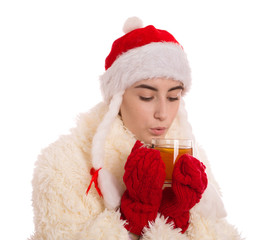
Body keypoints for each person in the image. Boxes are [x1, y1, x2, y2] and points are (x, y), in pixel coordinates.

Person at [31, 17, 241, 240]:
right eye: (147, 96)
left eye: (173, 96)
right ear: (118, 98)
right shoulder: (61, 165)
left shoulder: (191, 161)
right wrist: (133, 216)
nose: (163, 113)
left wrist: (177, 214)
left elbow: (218, 229)